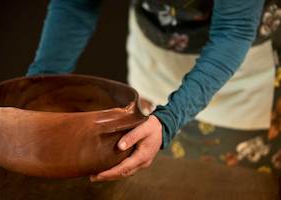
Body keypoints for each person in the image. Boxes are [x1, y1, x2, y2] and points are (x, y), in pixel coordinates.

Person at [27, 0, 281, 182]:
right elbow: (76, 5)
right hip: (153, 60)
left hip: (238, 79)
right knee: (153, 182)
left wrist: (169, 120)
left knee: (222, 185)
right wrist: (40, 86)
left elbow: (233, 30)